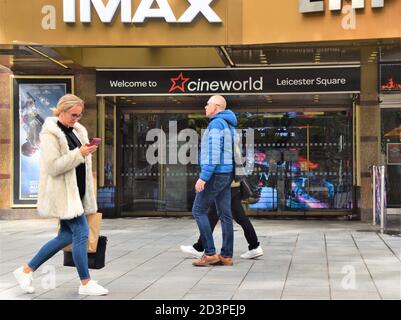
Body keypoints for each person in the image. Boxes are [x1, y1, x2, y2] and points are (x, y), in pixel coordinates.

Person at [12, 94, 108, 296]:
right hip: (64, 196)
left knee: (65, 236)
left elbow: (78, 161)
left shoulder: (77, 130)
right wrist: (79, 154)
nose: (77, 119)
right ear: (61, 111)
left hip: (77, 194)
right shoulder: (50, 135)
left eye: (79, 115)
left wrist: (85, 152)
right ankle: (85, 282)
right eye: (73, 115)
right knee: (81, 233)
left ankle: (25, 271)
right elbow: (53, 166)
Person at [191, 95, 236, 267]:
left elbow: (214, 153)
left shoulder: (216, 124)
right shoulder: (228, 124)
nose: (205, 106)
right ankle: (226, 255)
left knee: (198, 210)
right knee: (225, 215)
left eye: (208, 104)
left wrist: (204, 177)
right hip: (226, 174)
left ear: (216, 107)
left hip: (216, 174)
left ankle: (209, 253)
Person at [180, 181, 264, 260]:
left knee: (213, 217)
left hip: (225, 185)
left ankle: (199, 248)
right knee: (239, 217)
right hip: (234, 185)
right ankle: (254, 246)